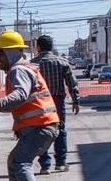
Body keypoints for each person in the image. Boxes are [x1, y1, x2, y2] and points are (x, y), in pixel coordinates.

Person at [0, 30, 60, 181]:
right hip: (41, 126)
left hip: (41, 126)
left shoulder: (18, 70)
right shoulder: (23, 68)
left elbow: (20, 94)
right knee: (14, 160)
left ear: (10, 52)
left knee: (21, 163)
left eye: (0, 55)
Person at [31, 34, 80, 173]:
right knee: (60, 130)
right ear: (51, 47)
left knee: (41, 131)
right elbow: (72, 83)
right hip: (57, 101)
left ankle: (45, 165)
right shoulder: (62, 62)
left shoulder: (32, 64)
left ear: (38, 47)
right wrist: (75, 101)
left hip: (39, 102)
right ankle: (61, 163)